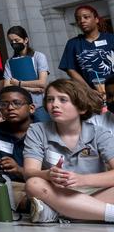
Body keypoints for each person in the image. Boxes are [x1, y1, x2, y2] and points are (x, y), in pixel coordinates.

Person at [22, 79, 114, 223]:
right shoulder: (37, 130)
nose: (55, 105)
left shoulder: (99, 133)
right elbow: (29, 172)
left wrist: (81, 180)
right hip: (58, 193)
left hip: (94, 190)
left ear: (81, 108)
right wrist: (47, 174)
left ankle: (62, 212)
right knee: (33, 184)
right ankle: (107, 214)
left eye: (63, 100)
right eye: (50, 99)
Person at [0, 85, 34, 213]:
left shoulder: (42, 130)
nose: (10, 108)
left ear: (31, 108)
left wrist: (19, 170)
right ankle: (34, 205)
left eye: (16, 103)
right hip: (9, 185)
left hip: (38, 182)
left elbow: (51, 169)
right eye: (4, 104)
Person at [59, 4, 114, 93]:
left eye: (86, 17)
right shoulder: (73, 44)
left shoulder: (111, 39)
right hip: (91, 94)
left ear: (96, 19)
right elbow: (70, 69)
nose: (82, 21)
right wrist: (89, 90)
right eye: (78, 19)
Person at [4, 25, 50, 119]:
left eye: (16, 40)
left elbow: (41, 83)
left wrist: (19, 83)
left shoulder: (38, 57)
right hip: (20, 106)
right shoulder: (9, 62)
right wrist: (33, 89)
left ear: (25, 40)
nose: (14, 43)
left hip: (39, 105)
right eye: (11, 41)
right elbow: (7, 86)